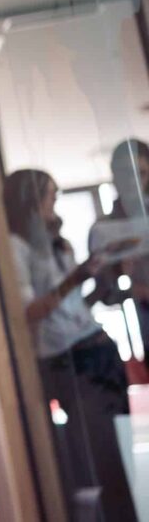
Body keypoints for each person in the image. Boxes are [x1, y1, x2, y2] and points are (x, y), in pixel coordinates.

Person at [3, 169, 136, 521]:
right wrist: (76, 277)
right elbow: (30, 311)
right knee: (100, 454)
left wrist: (100, 277)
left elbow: (74, 305)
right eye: (50, 195)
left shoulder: (57, 241)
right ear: (30, 202)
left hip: (99, 346)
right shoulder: (15, 248)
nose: (55, 201)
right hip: (68, 359)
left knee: (121, 448)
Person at [89, 138, 149, 379]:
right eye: (126, 174)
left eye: (141, 173)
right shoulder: (105, 230)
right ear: (114, 177)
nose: (134, 181)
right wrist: (124, 281)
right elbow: (104, 293)